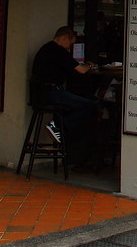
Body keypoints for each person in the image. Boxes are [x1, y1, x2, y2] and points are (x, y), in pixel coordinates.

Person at [31, 26, 99, 170]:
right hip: (52, 93)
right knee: (90, 105)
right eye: (70, 43)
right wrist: (90, 65)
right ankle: (58, 126)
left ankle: (61, 129)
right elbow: (81, 70)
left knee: (80, 105)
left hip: (39, 94)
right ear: (64, 38)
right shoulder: (59, 51)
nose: (70, 47)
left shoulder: (45, 49)